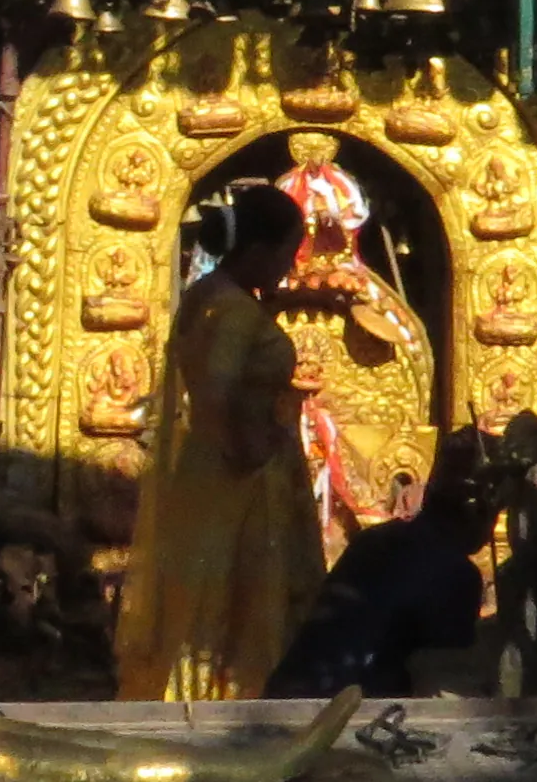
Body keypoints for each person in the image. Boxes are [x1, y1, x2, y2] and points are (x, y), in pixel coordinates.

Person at [115, 182, 325, 701]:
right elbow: (220, 391)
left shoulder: (205, 297)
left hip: (204, 468)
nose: (288, 267)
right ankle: (228, 704)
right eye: (285, 253)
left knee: (201, 595)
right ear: (258, 250)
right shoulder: (234, 313)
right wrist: (255, 445)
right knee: (237, 600)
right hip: (243, 476)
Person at [266, 430, 499, 697]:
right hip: (358, 715)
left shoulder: (372, 540)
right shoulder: (457, 575)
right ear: (476, 510)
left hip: (294, 695)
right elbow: (440, 682)